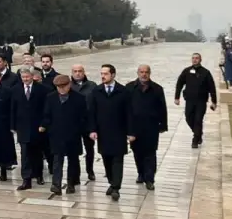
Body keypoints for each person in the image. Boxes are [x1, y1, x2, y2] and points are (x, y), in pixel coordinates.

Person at [40, 74, 89, 195]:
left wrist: (80, 129)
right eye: (58, 87)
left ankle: (71, 183)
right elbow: (47, 114)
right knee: (57, 160)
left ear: (69, 85)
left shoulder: (79, 98)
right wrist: (44, 126)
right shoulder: (51, 97)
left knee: (73, 160)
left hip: (73, 135)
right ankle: (56, 184)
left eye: (63, 86)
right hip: (56, 134)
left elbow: (84, 117)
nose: (61, 89)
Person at [90, 64, 130, 201]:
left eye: (105, 74)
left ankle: (116, 188)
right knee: (106, 159)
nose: (103, 76)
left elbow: (129, 114)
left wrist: (130, 132)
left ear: (113, 75)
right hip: (103, 132)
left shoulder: (123, 91)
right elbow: (92, 112)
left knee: (118, 160)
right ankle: (112, 183)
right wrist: (93, 130)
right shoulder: (97, 91)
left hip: (119, 131)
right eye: (101, 73)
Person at [127, 64, 168, 189]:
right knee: (137, 152)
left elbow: (162, 108)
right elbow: (124, 108)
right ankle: (141, 173)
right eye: (141, 72)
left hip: (151, 126)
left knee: (150, 153)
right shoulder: (129, 88)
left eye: (146, 72)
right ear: (137, 73)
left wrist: (163, 124)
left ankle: (150, 179)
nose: (144, 74)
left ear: (150, 73)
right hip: (135, 127)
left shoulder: (157, 89)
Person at [11, 66, 50, 189]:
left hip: (37, 127)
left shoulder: (43, 90)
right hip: (22, 127)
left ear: (32, 76)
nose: (25, 79)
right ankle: (26, 179)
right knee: (25, 153)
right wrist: (12, 126)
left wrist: (44, 124)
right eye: (23, 77)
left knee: (37, 152)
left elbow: (46, 109)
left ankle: (39, 175)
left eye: (27, 77)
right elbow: (12, 108)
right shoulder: (15, 89)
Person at [174, 52, 218, 148]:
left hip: (201, 101)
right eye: (193, 58)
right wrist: (177, 97)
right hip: (189, 100)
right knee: (188, 118)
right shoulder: (187, 71)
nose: (195, 60)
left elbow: (212, 88)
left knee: (198, 120)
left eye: (197, 58)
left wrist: (214, 101)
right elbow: (179, 84)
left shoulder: (206, 73)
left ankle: (195, 140)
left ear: (200, 60)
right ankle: (198, 133)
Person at [69, 64, 98, 182]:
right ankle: (75, 174)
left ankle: (90, 170)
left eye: (80, 71)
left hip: (88, 122)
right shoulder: (68, 86)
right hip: (74, 123)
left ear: (84, 72)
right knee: (74, 149)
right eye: (75, 71)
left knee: (89, 148)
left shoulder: (92, 86)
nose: (77, 73)